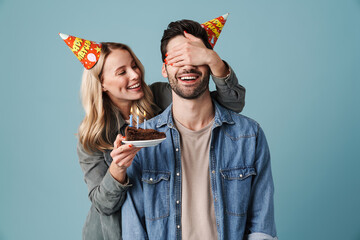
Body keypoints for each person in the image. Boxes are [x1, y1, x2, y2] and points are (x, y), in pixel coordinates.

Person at [59, 28, 245, 239]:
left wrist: (213, 60)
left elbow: (232, 104)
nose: (135, 74)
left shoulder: (161, 97)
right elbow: (103, 205)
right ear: (101, 83)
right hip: (114, 233)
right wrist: (118, 168)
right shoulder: (92, 137)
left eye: (134, 65)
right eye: (122, 72)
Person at [121, 19, 277, 240]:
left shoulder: (249, 136)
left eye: (196, 56)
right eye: (176, 58)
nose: (188, 66)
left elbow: (262, 225)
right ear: (165, 69)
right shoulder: (141, 141)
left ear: (209, 65)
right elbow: (134, 228)